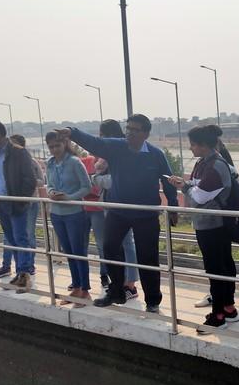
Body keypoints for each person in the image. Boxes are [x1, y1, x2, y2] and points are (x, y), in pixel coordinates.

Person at [56, 115, 178, 311]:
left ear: (146, 134)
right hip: (118, 211)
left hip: (146, 214)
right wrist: (73, 132)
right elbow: (95, 143)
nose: (130, 133)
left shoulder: (155, 154)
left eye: (135, 130)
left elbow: (167, 179)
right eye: (128, 128)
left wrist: (173, 205)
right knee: (110, 249)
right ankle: (117, 292)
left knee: (148, 257)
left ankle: (153, 301)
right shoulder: (116, 147)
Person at [169, 125, 239, 332]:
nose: (190, 148)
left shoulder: (216, 166)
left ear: (203, 145)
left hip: (213, 224)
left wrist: (184, 187)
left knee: (216, 268)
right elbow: (197, 187)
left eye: (192, 144)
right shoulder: (205, 163)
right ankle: (228, 308)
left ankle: (218, 316)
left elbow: (199, 196)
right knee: (223, 265)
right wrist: (187, 185)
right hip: (208, 223)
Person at [0, 119, 38, 292]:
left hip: (15, 202)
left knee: (21, 238)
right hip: (0, 202)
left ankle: (24, 275)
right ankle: (20, 274)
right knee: (12, 240)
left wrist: (21, 200)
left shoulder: (19, 152)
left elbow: (30, 180)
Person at [87, 119, 139, 297]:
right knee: (116, 244)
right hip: (110, 203)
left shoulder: (123, 153)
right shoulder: (109, 155)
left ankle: (130, 284)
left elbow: (116, 181)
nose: (100, 139)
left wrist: (95, 179)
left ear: (110, 135)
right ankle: (120, 282)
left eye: (102, 135)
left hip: (122, 203)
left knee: (126, 243)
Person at [45, 132, 92, 307]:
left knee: (79, 252)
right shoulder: (49, 163)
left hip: (74, 213)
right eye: (51, 146)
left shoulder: (74, 162)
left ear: (64, 144)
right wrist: (51, 192)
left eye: (57, 145)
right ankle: (76, 287)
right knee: (69, 252)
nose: (54, 149)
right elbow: (48, 184)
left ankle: (85, 290)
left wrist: (69, 198)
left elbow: (87, 187)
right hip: (57, 213)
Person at [0, 134, 44, 278]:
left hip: (28, 202)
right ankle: (9, 266)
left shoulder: (30, 160)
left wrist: (22, 192)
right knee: (9, 237)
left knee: (27, 235)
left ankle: (27, 267)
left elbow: (40, 180)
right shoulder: (0, 157)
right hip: (8, 203)